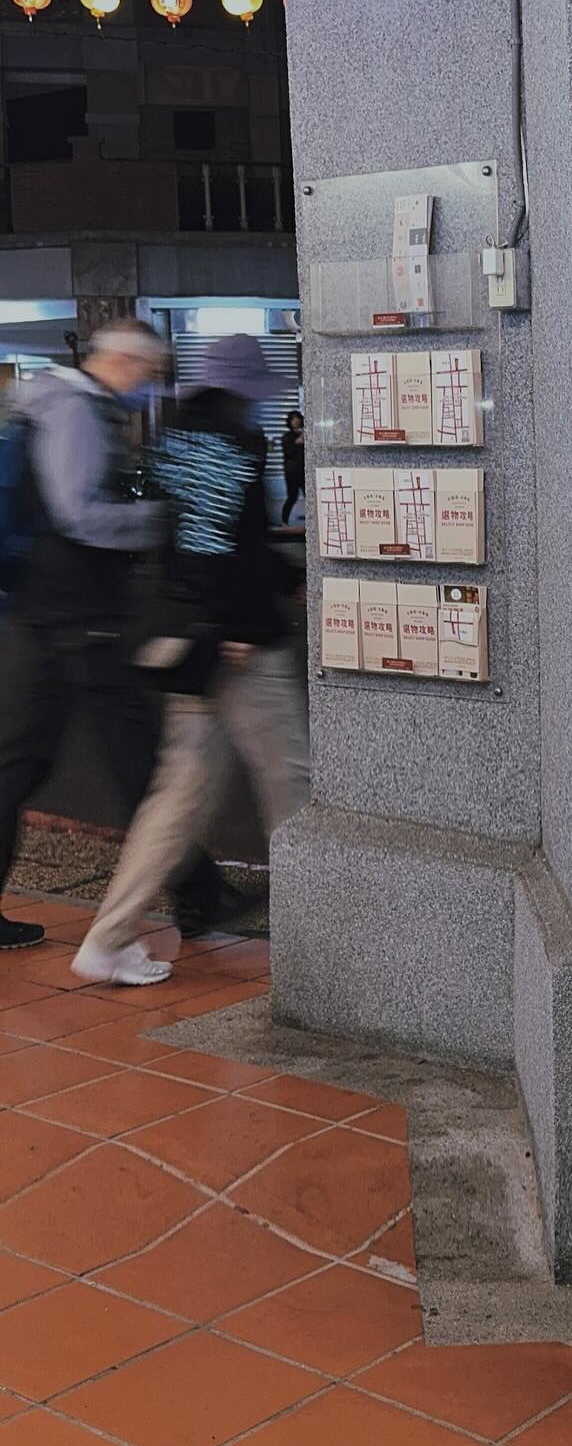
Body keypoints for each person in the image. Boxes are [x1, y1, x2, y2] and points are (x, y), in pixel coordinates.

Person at [72, 335, 310, 985]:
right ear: (242, 388)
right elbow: (216, 546)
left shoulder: (174, 434)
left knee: (179, 797)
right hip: (234, 649)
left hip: (192, 642)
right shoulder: (229, 439)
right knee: (292, 782)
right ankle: (321, 941)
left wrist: (281, 580)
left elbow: (185, 537)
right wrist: (238, 625)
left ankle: (107, 938)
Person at [0, 321, 237, 953]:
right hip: (81, 617)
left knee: (21, 761)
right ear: (125, 362)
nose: (149, 386)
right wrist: (159, 521)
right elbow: (79, 513)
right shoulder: (75, 411)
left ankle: (198, 890)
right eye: (150, 372)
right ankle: (197, 892)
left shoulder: (52, 402)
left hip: (43, 611)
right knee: (135, 757)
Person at [279, 409, 305, 525]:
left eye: (298, 418)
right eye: (293, 419)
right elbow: (287, 453)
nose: (296, 421)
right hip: (292, 472)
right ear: (289, 422)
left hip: (304, 471)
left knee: (310, 496)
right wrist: (296, 443)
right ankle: (284, 521)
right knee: (292, 497)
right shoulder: (287, 437)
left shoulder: (304, 435)